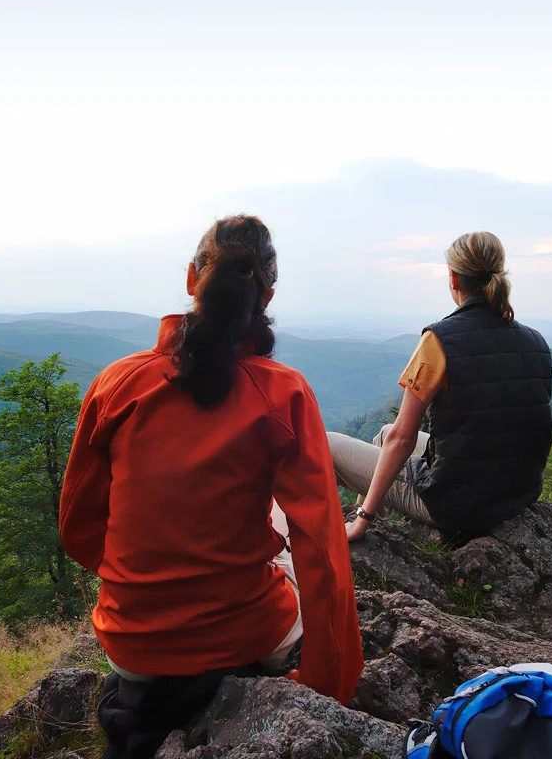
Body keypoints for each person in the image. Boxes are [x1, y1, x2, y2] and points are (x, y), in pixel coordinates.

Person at [59, 215, 362, 759]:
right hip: (246, 633)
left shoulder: (117, 384)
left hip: (132, 647)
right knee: (278, 527)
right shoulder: (284, 393)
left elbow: (79, 530)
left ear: (193, 278)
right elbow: (321, 546)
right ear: (267, 293)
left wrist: (151, 582)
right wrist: (328, 684)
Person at [331, 231, 552, 543]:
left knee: (327, 444)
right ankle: (373, 525)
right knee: (383, 434)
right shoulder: (536, 342)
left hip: (456, 506)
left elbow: (403, 438)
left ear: (453, 279)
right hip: (515, 496)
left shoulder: (439, 341)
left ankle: (360, 525)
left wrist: (363, 518)